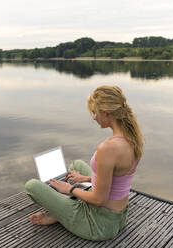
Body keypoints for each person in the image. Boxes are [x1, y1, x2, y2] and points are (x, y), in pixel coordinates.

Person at [24, 85, 144, 240]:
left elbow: (99, 200)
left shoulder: (108, 149)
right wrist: (86, 179)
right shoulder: (134, 138)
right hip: (118, 216)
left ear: (106, 113)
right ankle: (62, 211)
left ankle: (60, 214)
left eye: (95, 112)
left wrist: (70, 189)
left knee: (32, 186)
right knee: (77, 165)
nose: (94, 117)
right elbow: (117, 177)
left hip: (98, 223)